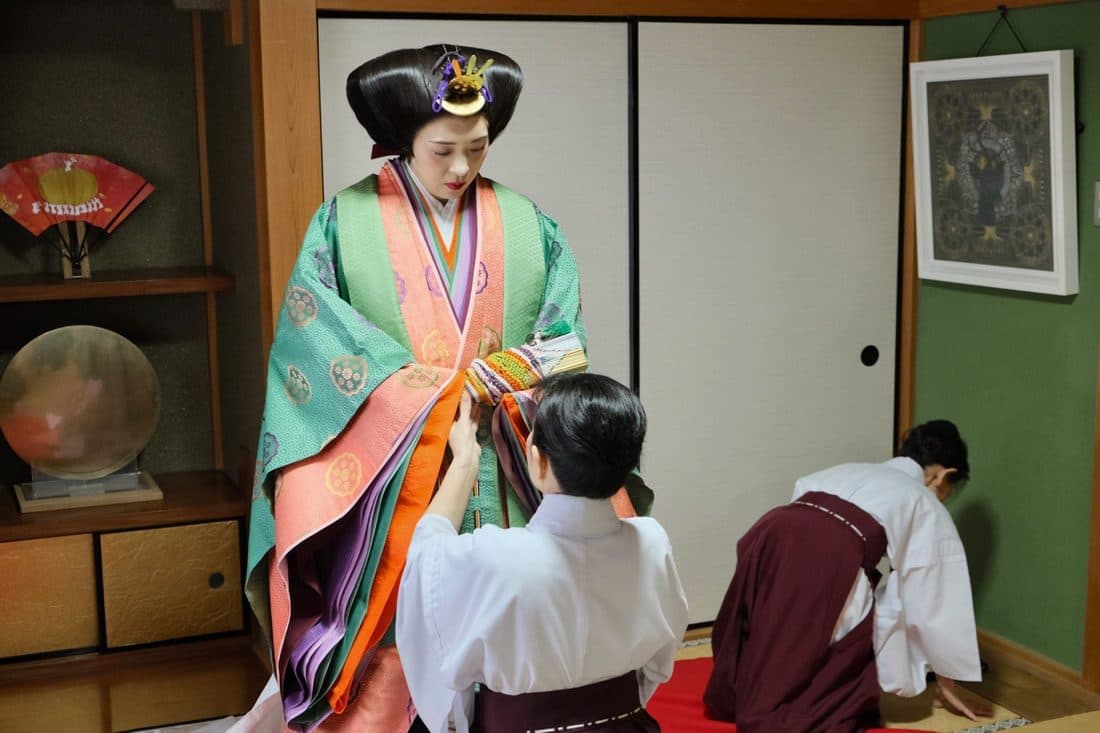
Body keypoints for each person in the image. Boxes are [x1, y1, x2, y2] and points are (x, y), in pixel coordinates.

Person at [237, 44, 648, 731]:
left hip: (512, 463)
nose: (462, 167)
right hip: (397, 470)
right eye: (443, 150)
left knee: (520, 635)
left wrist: (498, 382)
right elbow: (315, 342)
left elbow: (562, 334)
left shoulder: (527, 223)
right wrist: (431, 399)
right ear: (402, 142)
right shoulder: (344, 223)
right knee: (398, 634)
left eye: (478, 148)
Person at [397, 373, 690, 733]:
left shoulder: (492, 557)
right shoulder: (652, 542)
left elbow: (426, 559)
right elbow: (658, 662)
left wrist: (464, 464)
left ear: (538, 460)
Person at [703, 419, 992, 733]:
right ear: (942, 474)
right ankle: (776, 708)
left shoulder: (852, 468)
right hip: (832, 549)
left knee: (772, 624)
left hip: (772, 531)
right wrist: (947, 680)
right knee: (823, 657)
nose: (944, 497)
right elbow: (935, 595)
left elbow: (802, 495)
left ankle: (743, 692)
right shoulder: (922, 499)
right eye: (947, 491)